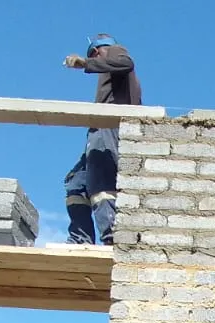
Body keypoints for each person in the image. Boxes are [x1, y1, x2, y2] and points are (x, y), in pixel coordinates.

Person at [62, 34, 142, 245]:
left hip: (109, 127)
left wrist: (85, 63)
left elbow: (126, 62)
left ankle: (111, 237)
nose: (95, 59)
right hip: (98, 130)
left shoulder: (115, 51)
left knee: (101, 181)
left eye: (94, 55)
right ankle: (81, 239)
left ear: (98, 51)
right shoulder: (109, 74)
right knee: (76, 182)